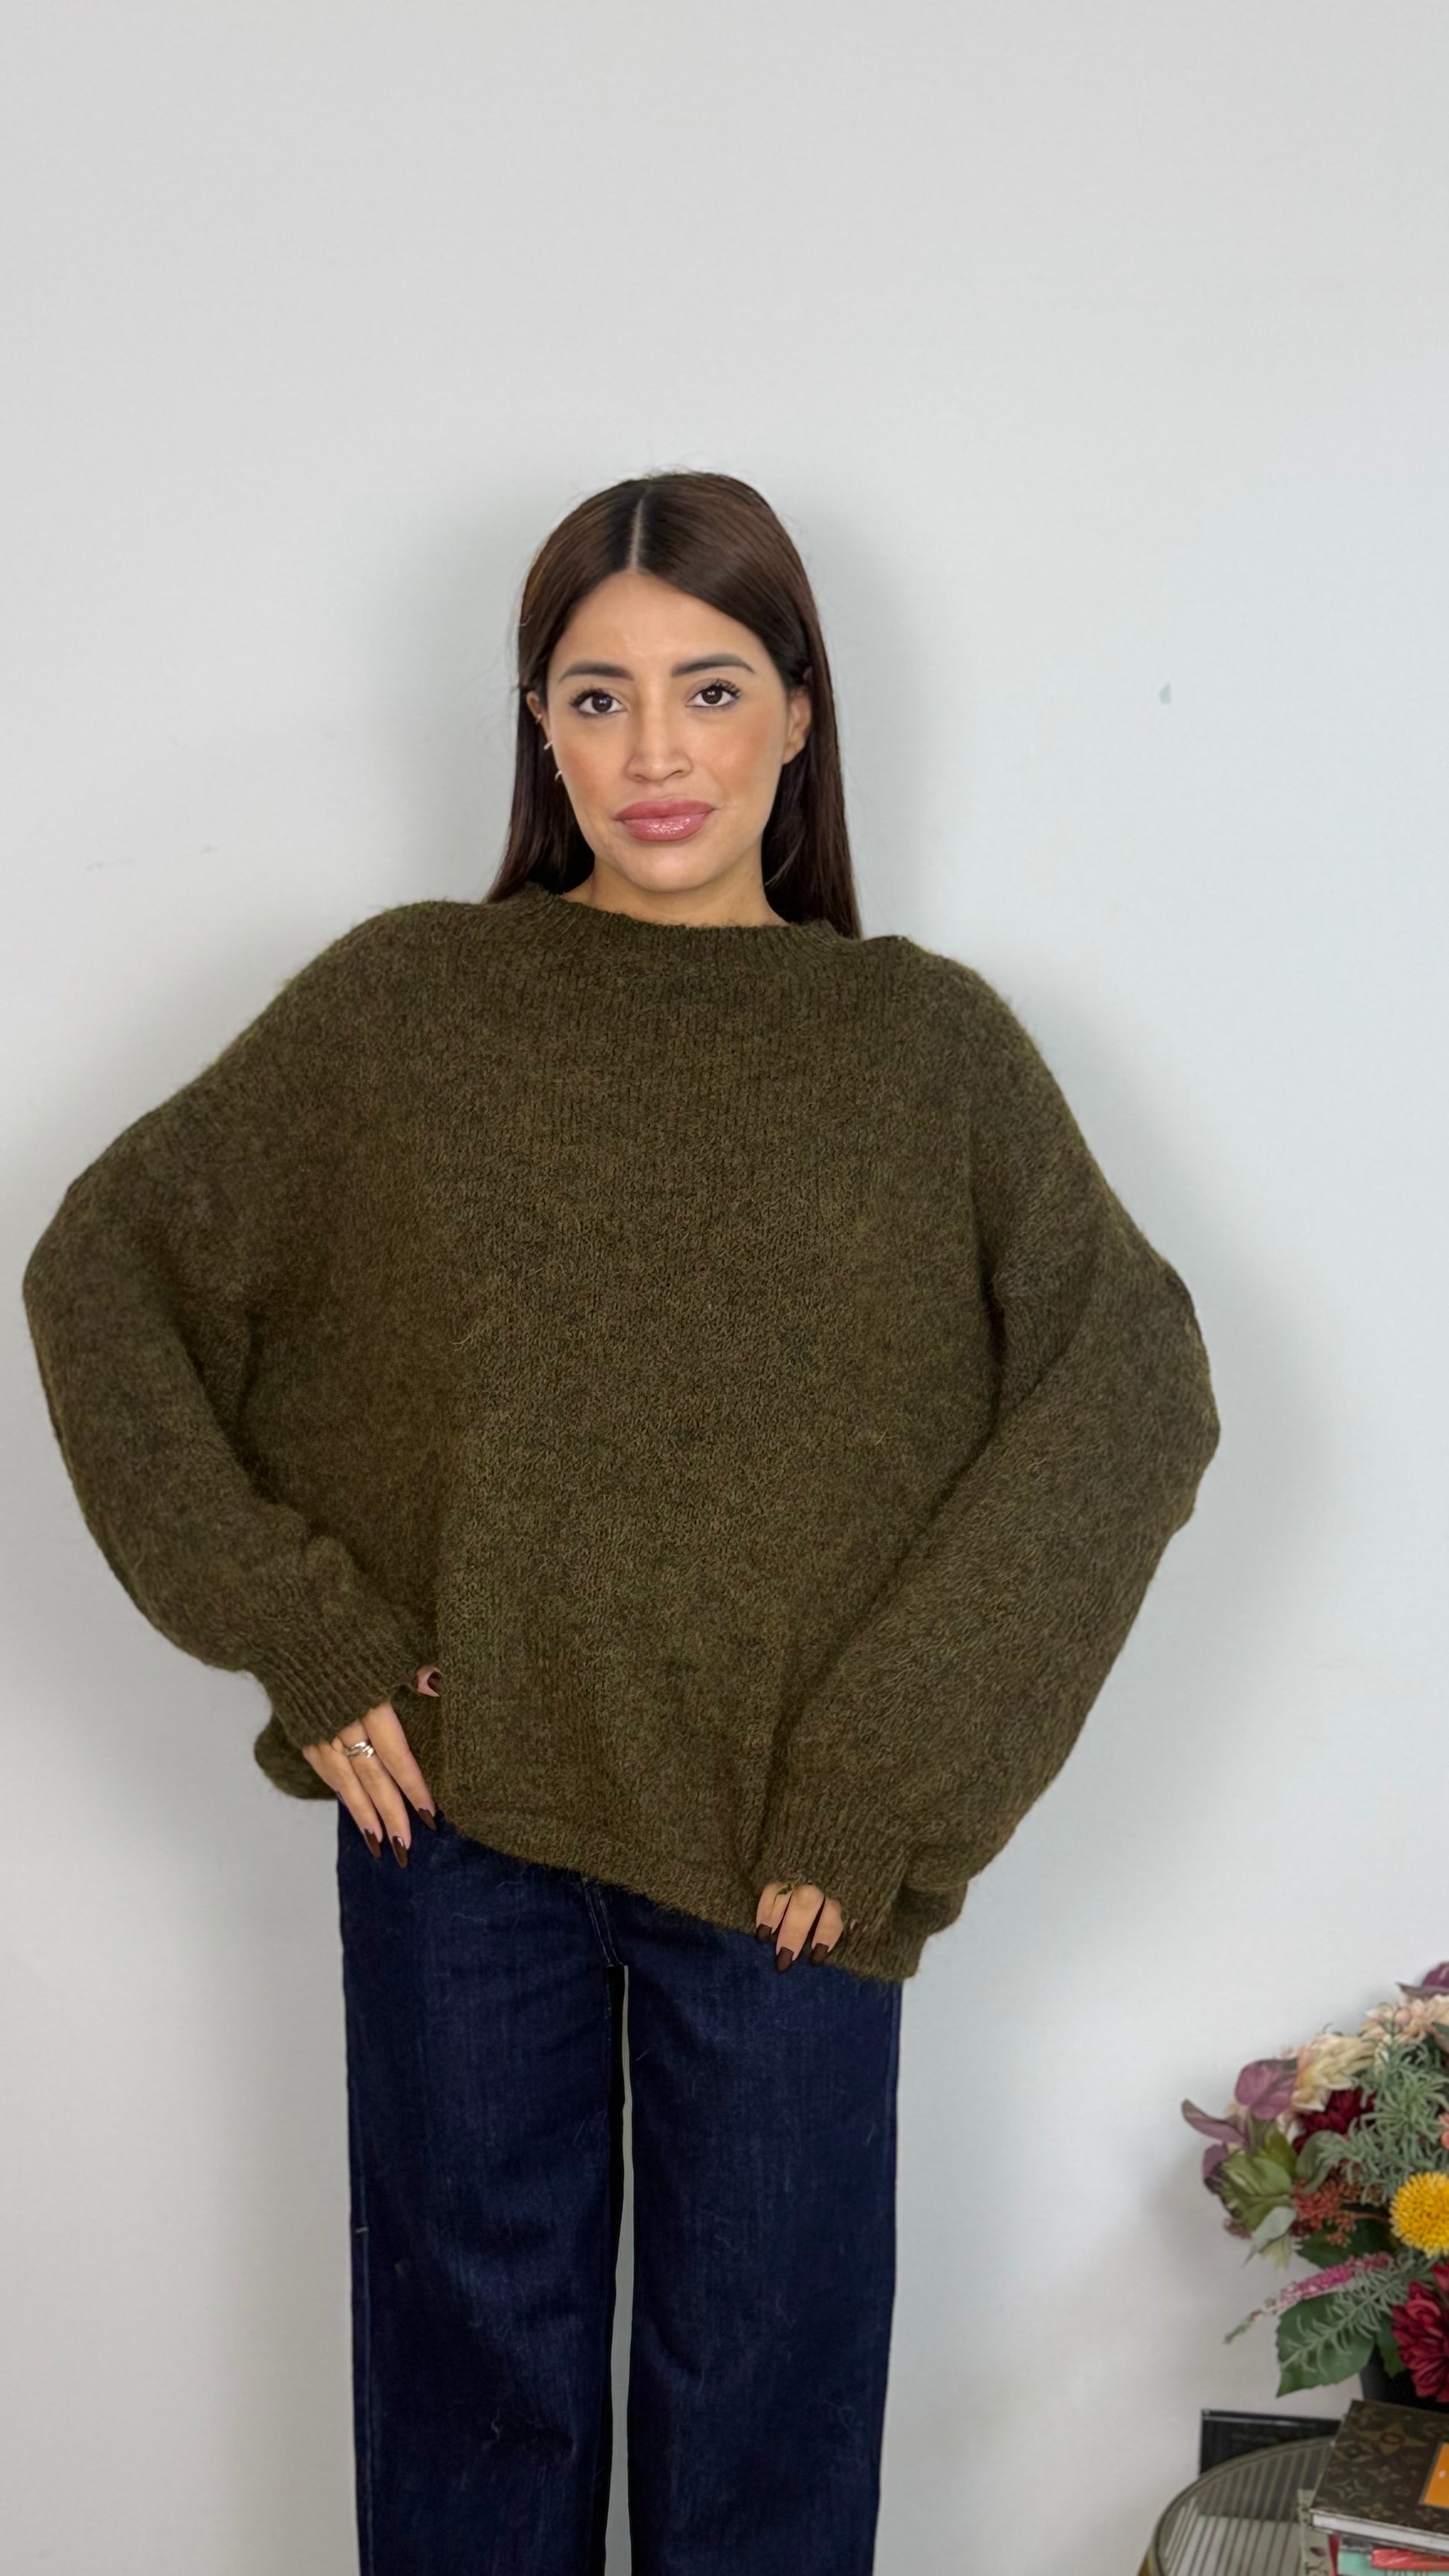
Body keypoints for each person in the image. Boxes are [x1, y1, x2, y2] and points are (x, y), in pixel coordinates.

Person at [20, 468, 1221, 2575]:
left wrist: (889, 1768)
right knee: (472, 2407)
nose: (656, 749)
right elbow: (103, 1274)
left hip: (790, 1857)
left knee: (763, 2420)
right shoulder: (407, 1007)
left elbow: (1134, 1392)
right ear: (540, 730)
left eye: (709, 687)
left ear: (798, 714)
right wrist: (292, 1621)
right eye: (598, 695)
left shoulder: (923, 1049)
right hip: (456, 1826)